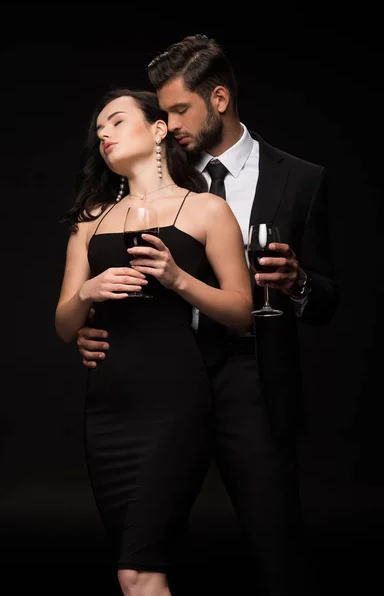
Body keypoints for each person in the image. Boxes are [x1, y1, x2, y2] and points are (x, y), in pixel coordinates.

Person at [75, 36, 339, 595]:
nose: (167, 124)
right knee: (145, 555)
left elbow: (329, 298)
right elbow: (98, 273)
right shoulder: (154, 173)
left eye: (178, 110)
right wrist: (92, 325)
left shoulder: (299, 180)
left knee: (277, 549)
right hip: (160, 382)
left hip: (249, 380)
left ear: (218, 99)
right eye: (160, 113)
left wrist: (297, 286)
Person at [55, 87, 253, 596]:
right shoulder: (92, 219)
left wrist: (178, 279)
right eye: (99, 129)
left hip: (174, 402)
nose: (104, 133)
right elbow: (63, 323)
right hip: (107, 407)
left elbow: (244, 311)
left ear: (159, 129)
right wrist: (86, 291)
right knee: (133, 571)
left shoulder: (207, 210)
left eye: (117, 121)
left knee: (138, 569)